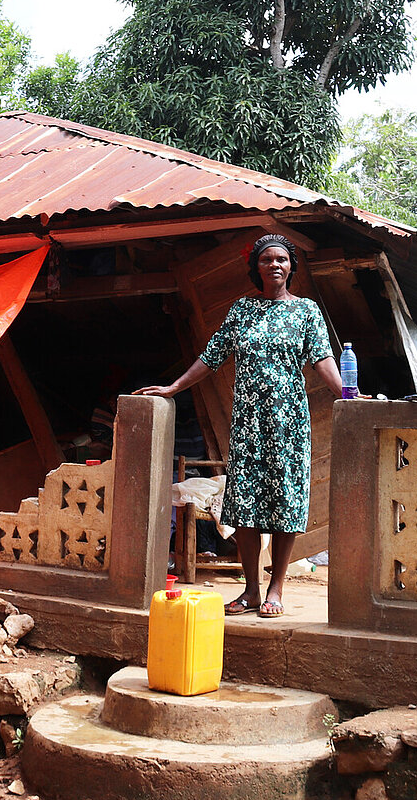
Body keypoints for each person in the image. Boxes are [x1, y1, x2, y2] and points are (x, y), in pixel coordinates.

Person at [135, 234, 342, 618]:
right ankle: (250, 591)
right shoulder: (242, 310)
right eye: (267, 260)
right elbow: (212, 356)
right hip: (248, 424)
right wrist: (174, 387)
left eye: (282, 259)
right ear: (256, 268)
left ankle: (276, 590)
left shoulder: (306, 312)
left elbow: (323, 359)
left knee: (285, 504)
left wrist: (348, 392)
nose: (275, 265)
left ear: (291, 266)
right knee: (244, 505)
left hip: (289, 424)